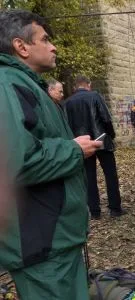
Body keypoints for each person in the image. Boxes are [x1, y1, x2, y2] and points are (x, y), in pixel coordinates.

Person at [0, 10, 103, 299]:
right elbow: (16, 161)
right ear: (21, 47)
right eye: (45, 39)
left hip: (53, 240)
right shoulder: (7, 85)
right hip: (41, 245)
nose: (54, 46)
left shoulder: (26, 86)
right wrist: (73, 149)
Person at [65, 75, 126, 219]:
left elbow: (67, 125)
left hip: (82, 144)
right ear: (88, 84)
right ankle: (115, 208)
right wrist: (111, 135)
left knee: (89, 177)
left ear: (75, 86)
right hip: (101, 140)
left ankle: (94, 211)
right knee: (110, 175)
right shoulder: (95, 96)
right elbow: (106, 118)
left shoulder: (67, 102)